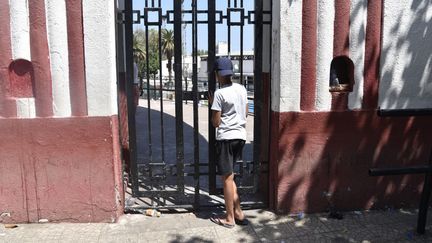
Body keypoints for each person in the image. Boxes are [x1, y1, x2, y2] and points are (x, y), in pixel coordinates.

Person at [208, 57, 249, 228]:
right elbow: (245, 113)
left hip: (226, 138)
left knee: (226, 179)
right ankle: (239, 212)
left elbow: (216, 123)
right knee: (230, 177)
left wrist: (212, 106)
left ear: (217, 74)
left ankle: (230, 218)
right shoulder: (241, 88)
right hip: (240, 137)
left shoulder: (219, 94)